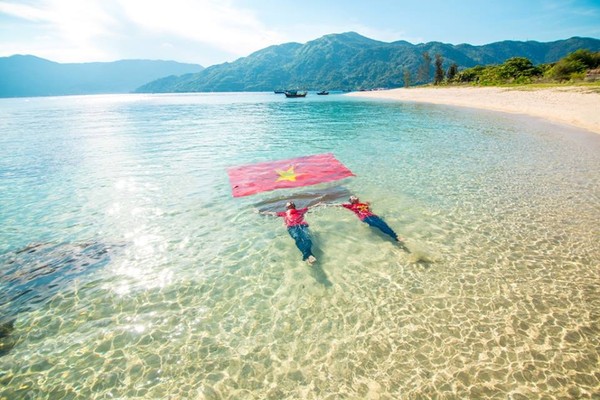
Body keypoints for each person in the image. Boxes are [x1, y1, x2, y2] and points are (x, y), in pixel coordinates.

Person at [333, 195, 409, 251]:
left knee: (384, 225)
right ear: (351, 201)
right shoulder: (351, 206)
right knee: (379, 225)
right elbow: (339, 205)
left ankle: (396, 238)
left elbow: (369, 210)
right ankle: (395, 239)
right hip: (365, 218)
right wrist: (327, 204)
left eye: (355, 197)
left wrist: (368, 206)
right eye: (353, 197)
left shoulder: (364, 204)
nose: (355, 197)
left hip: (373, 216)